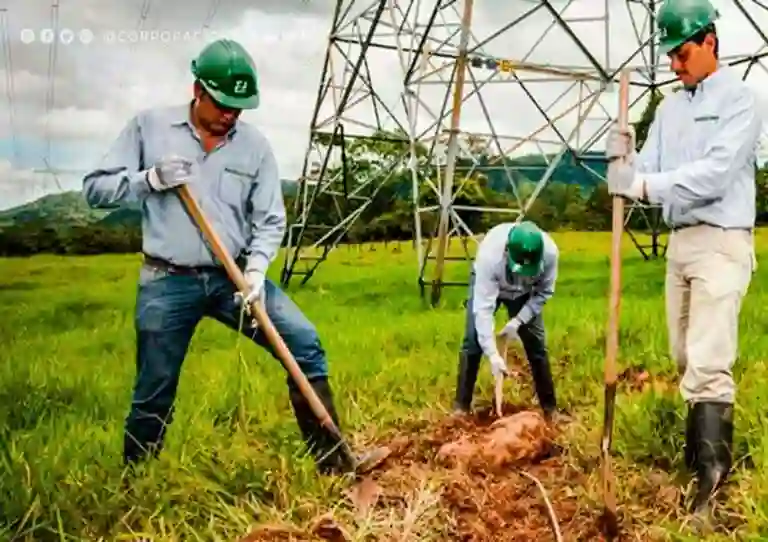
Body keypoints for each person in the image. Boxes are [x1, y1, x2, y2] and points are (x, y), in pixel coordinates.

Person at [82, 38, 377, 475]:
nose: (230, 115)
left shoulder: (255, 146)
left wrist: (256, 268)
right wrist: (150, 178)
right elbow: (95, 190)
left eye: (239, 107)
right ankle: (135, 481)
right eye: (223, 104)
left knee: (304, 344)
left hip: (233, 276)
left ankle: (335, 464)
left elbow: (271, 219)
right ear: (198, 89)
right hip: (168, 280)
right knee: (154, 386)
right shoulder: (149, 128)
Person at [605, 0, 761, 524]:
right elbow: (644, 167)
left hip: (722, 240)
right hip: (681, 244)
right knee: (683, 356)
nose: (674, 64)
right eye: (670, 55)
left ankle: (710, 490)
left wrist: (643, 183)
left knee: (709, 360)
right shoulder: (670, 110)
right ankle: (696, 461)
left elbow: (715, 173)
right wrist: (623, 159)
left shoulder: (742, 100)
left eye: (683, 52)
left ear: (710, 42)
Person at [453, 220, 559, 420]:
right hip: (493, 284)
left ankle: (550, 409)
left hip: (526, 295)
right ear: (507, 253)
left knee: (536, 345)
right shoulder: (490, 257)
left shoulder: (550, 254)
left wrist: (519, 320)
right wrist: (493, 355)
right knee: (473, 340)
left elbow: (544, 292)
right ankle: (461, 407)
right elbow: (483, 311)